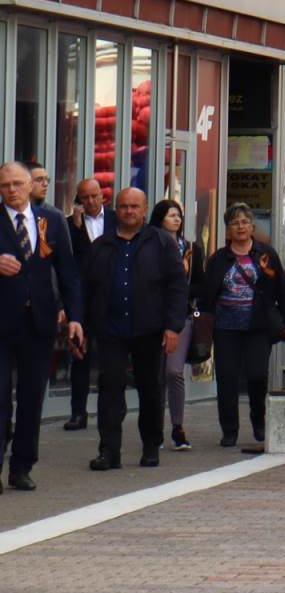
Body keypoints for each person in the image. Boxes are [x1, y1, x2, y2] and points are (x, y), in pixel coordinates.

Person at [81, 188, 188, 470]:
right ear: (117, 209)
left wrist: (173, 326)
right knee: (110, 389)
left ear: (144, 209)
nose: (129, 211)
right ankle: (109, 451)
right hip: (111, 329)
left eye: (134, 207)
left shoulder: (161, 243)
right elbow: (87, 287)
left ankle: (151, 446)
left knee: (149, 389)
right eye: (124, 207)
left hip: (149, 329)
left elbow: (177, 287)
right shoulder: (102, 245)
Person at [0, 162, 82, 495]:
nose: (12, 190)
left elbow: (68, 273)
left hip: (39, 323)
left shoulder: (52, 222)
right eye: (5, 185)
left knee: (32, 399)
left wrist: (75, 316)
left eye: (18, 183)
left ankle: (22, 467)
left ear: (31, 185)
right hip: (2, 323)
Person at [197, 204, 285, 454]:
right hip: (226, 327)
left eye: (244, 222)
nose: (240, 227)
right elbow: (207, 294)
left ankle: (258, 423)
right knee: (227, 379)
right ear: (228, 230)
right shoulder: (219, 259)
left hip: (258, 326)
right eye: (234, 223)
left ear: (252, 227)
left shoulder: (266, 255)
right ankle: (229, 430)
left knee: (257, 375)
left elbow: (282, 289)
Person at [149, 200, 203, 451]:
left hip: (182, 317)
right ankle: (154, 429)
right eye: (171, 215)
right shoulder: (150, 245)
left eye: (179, 215)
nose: (176, 219)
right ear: (160, 218)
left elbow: (199, 285)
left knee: (174, 371)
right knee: (154, 375)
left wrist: (181, 278)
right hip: (151, 317)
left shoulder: (192, 248)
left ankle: (178, 427)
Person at [63, 176, 108, 431]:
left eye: (94, 196)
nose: (90, 202)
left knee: (110, 357)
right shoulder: (70, 225)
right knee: (80, 356)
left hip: (109, 298)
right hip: (82, 299)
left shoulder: (114, 220)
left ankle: (110, 409)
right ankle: (78, 412)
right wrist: (78, 227)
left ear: (102, 195)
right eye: (85, 198)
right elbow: (72, 260)